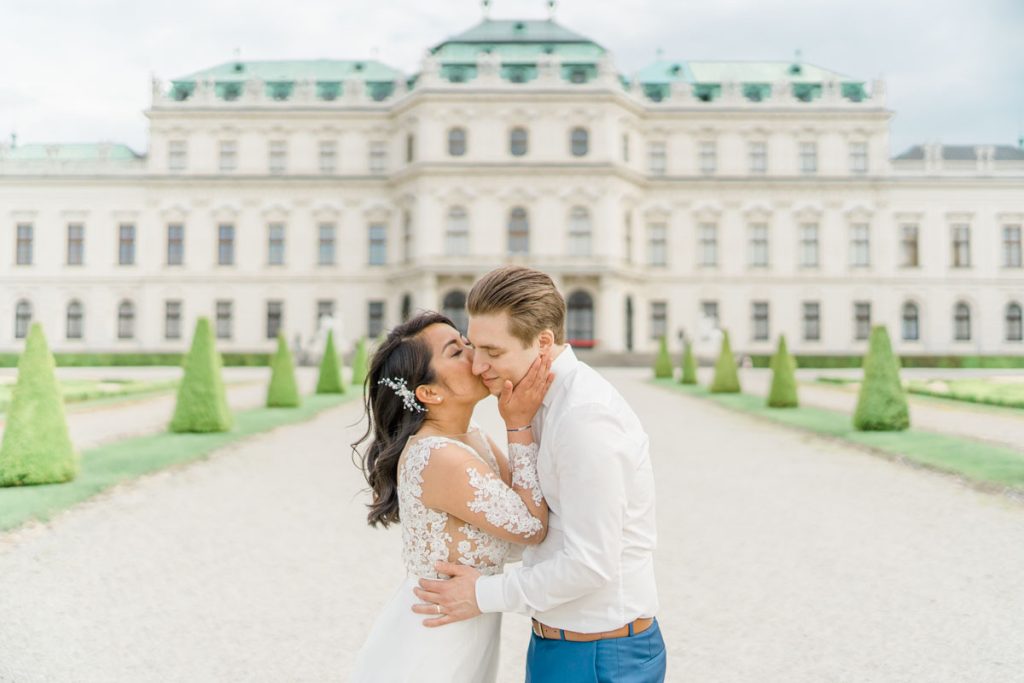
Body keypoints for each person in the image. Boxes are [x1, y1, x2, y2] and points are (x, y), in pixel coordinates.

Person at [412, 266, 666, 682]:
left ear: (543, 342)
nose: (477, 366)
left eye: (494, 352)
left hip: (600, 654)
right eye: (474, 347)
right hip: (561, 642)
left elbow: (590, 564)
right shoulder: (534, 403)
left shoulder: (584, 419)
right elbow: (538, 524)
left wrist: (482, 594)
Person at [349, 311, 554, 682]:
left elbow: (530, 496)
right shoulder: (440, 457)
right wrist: (518, 423)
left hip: (466, 629)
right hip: (435, 640)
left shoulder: (470, 434)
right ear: (429, 393)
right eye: (456, 352)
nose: (474, 354)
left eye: (465, 342)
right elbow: (531, 526)